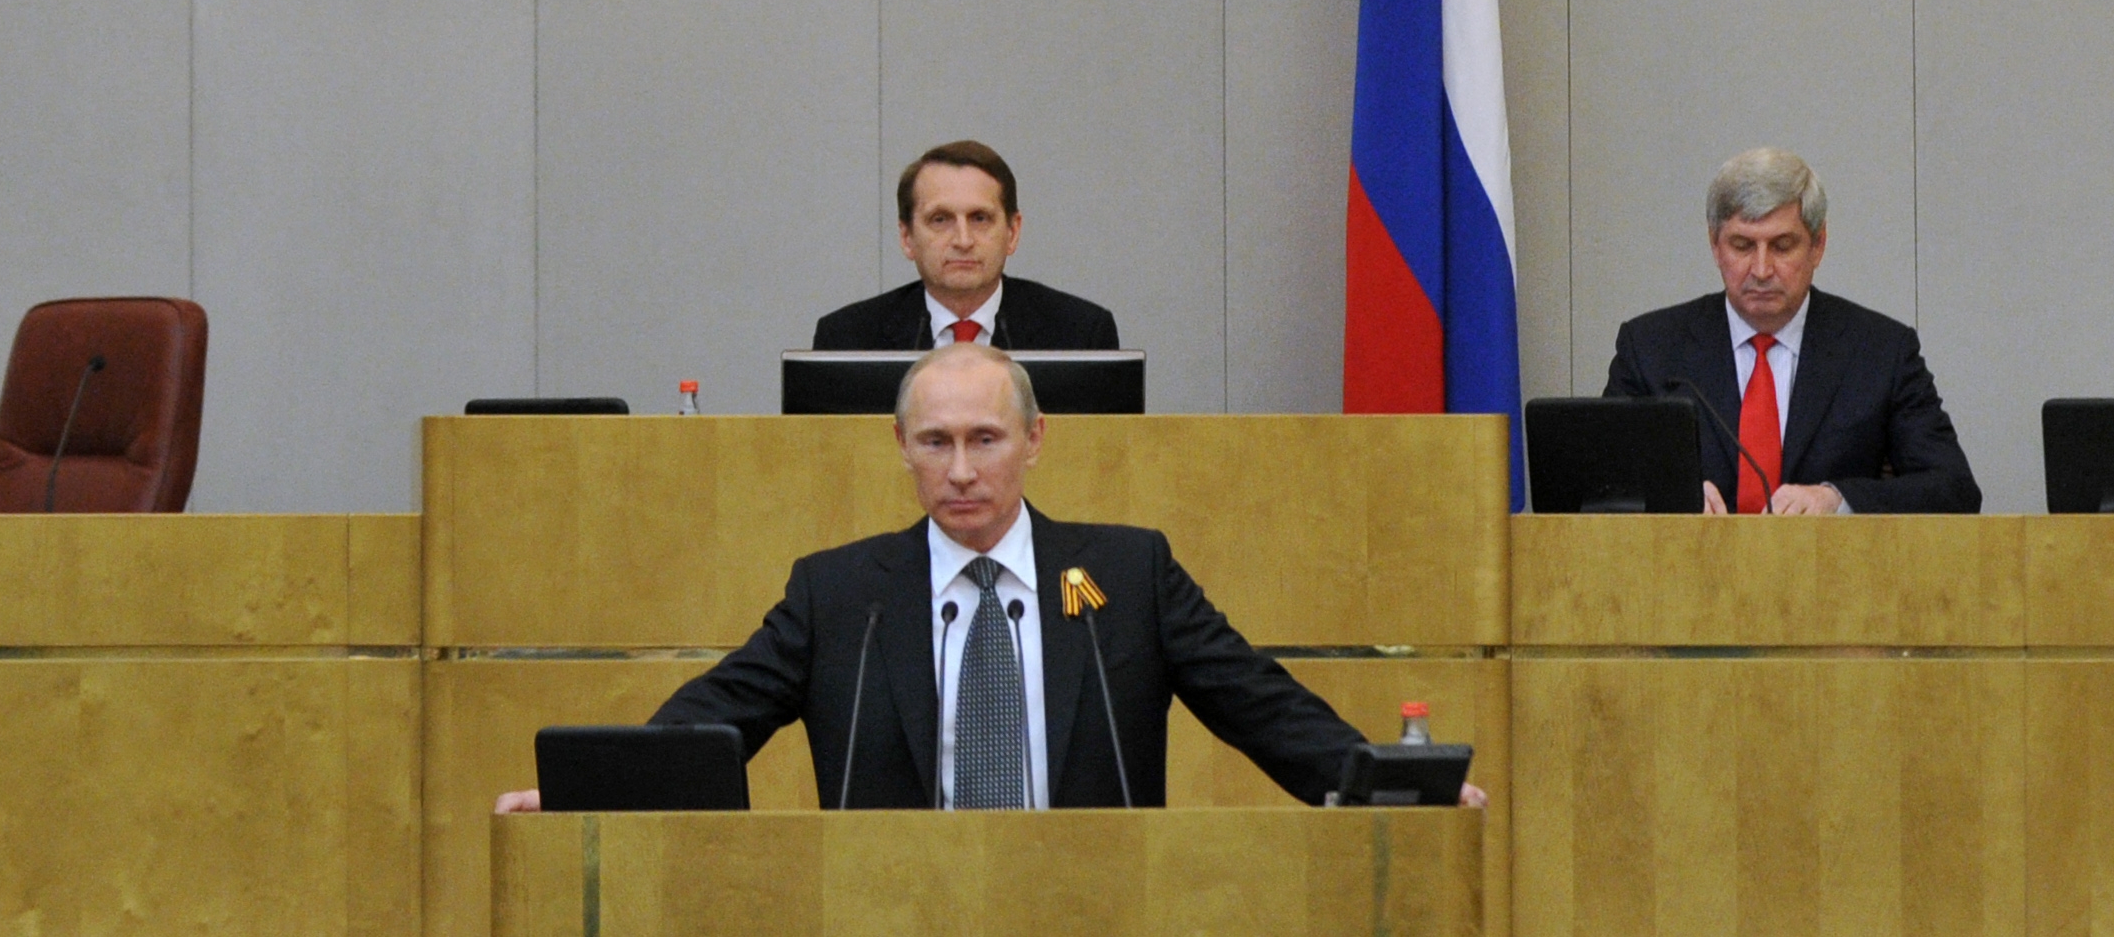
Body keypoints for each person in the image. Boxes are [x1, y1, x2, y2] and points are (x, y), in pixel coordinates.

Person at [496, 343, 1471, 813]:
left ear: (1035, 440)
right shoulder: (841, 595)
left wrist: (1388, 786)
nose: (960, 469)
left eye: (984, 439)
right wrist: (592, 793)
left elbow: (1259, 703)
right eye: (935, 442)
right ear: (901, 448)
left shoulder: (1126, 576)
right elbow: (717, 720)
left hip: (1097, 910)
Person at [1599, 146, 1980, 514]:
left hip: (1828, 573)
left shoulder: (1881, 352)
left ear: (1818, 246)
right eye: (1742, 245)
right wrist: (1668, 495)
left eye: (1782, 246)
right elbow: (1594, 485)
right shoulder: (1651, 349)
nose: (1762, 270)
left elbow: (1954, 488)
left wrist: (1837, 499)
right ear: (1715, 246)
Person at [811, 142, 1119, 352]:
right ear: (907, 237)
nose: (963, 240)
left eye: (980, 218)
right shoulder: (847, 339)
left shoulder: (1081, 334)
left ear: (1012, 232)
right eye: (940, 219)